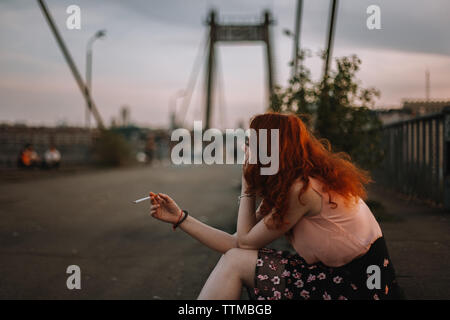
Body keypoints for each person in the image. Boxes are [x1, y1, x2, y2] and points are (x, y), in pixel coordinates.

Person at [149, 112, 404, 300]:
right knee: (235, 259)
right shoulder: (293, 184)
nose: (245, 148)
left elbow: (245, 244)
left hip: (358, 288)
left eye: (251, 142)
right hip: (334, 277)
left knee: (237, 262)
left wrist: (247, 187)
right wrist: (180, 218)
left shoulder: (303, 191)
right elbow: (237, 243)